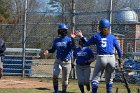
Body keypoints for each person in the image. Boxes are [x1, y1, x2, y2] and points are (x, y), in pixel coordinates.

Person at [75, 18, 123, 93]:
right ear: (108, 27)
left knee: (95, 79)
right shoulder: (112, 37)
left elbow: (86, 43)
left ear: (100, 28)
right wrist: (120, 59)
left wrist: (81, 36)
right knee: (109, 80)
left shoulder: (97, 36)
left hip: (102, 57)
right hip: (111, 58)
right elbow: (119, 49)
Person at [43, 23, 75, 93]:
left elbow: (73, 47)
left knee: (65, 80)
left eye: (63, 30)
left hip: (67, 62)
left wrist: (72, 39)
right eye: (60, 30)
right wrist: (48, 51)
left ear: (65, 31)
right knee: (55, 76)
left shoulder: (69, 39)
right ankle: (56, 91)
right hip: (58, 61)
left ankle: (64, 91)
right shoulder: (56, 40)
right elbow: (53, 49)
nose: (61, 31)